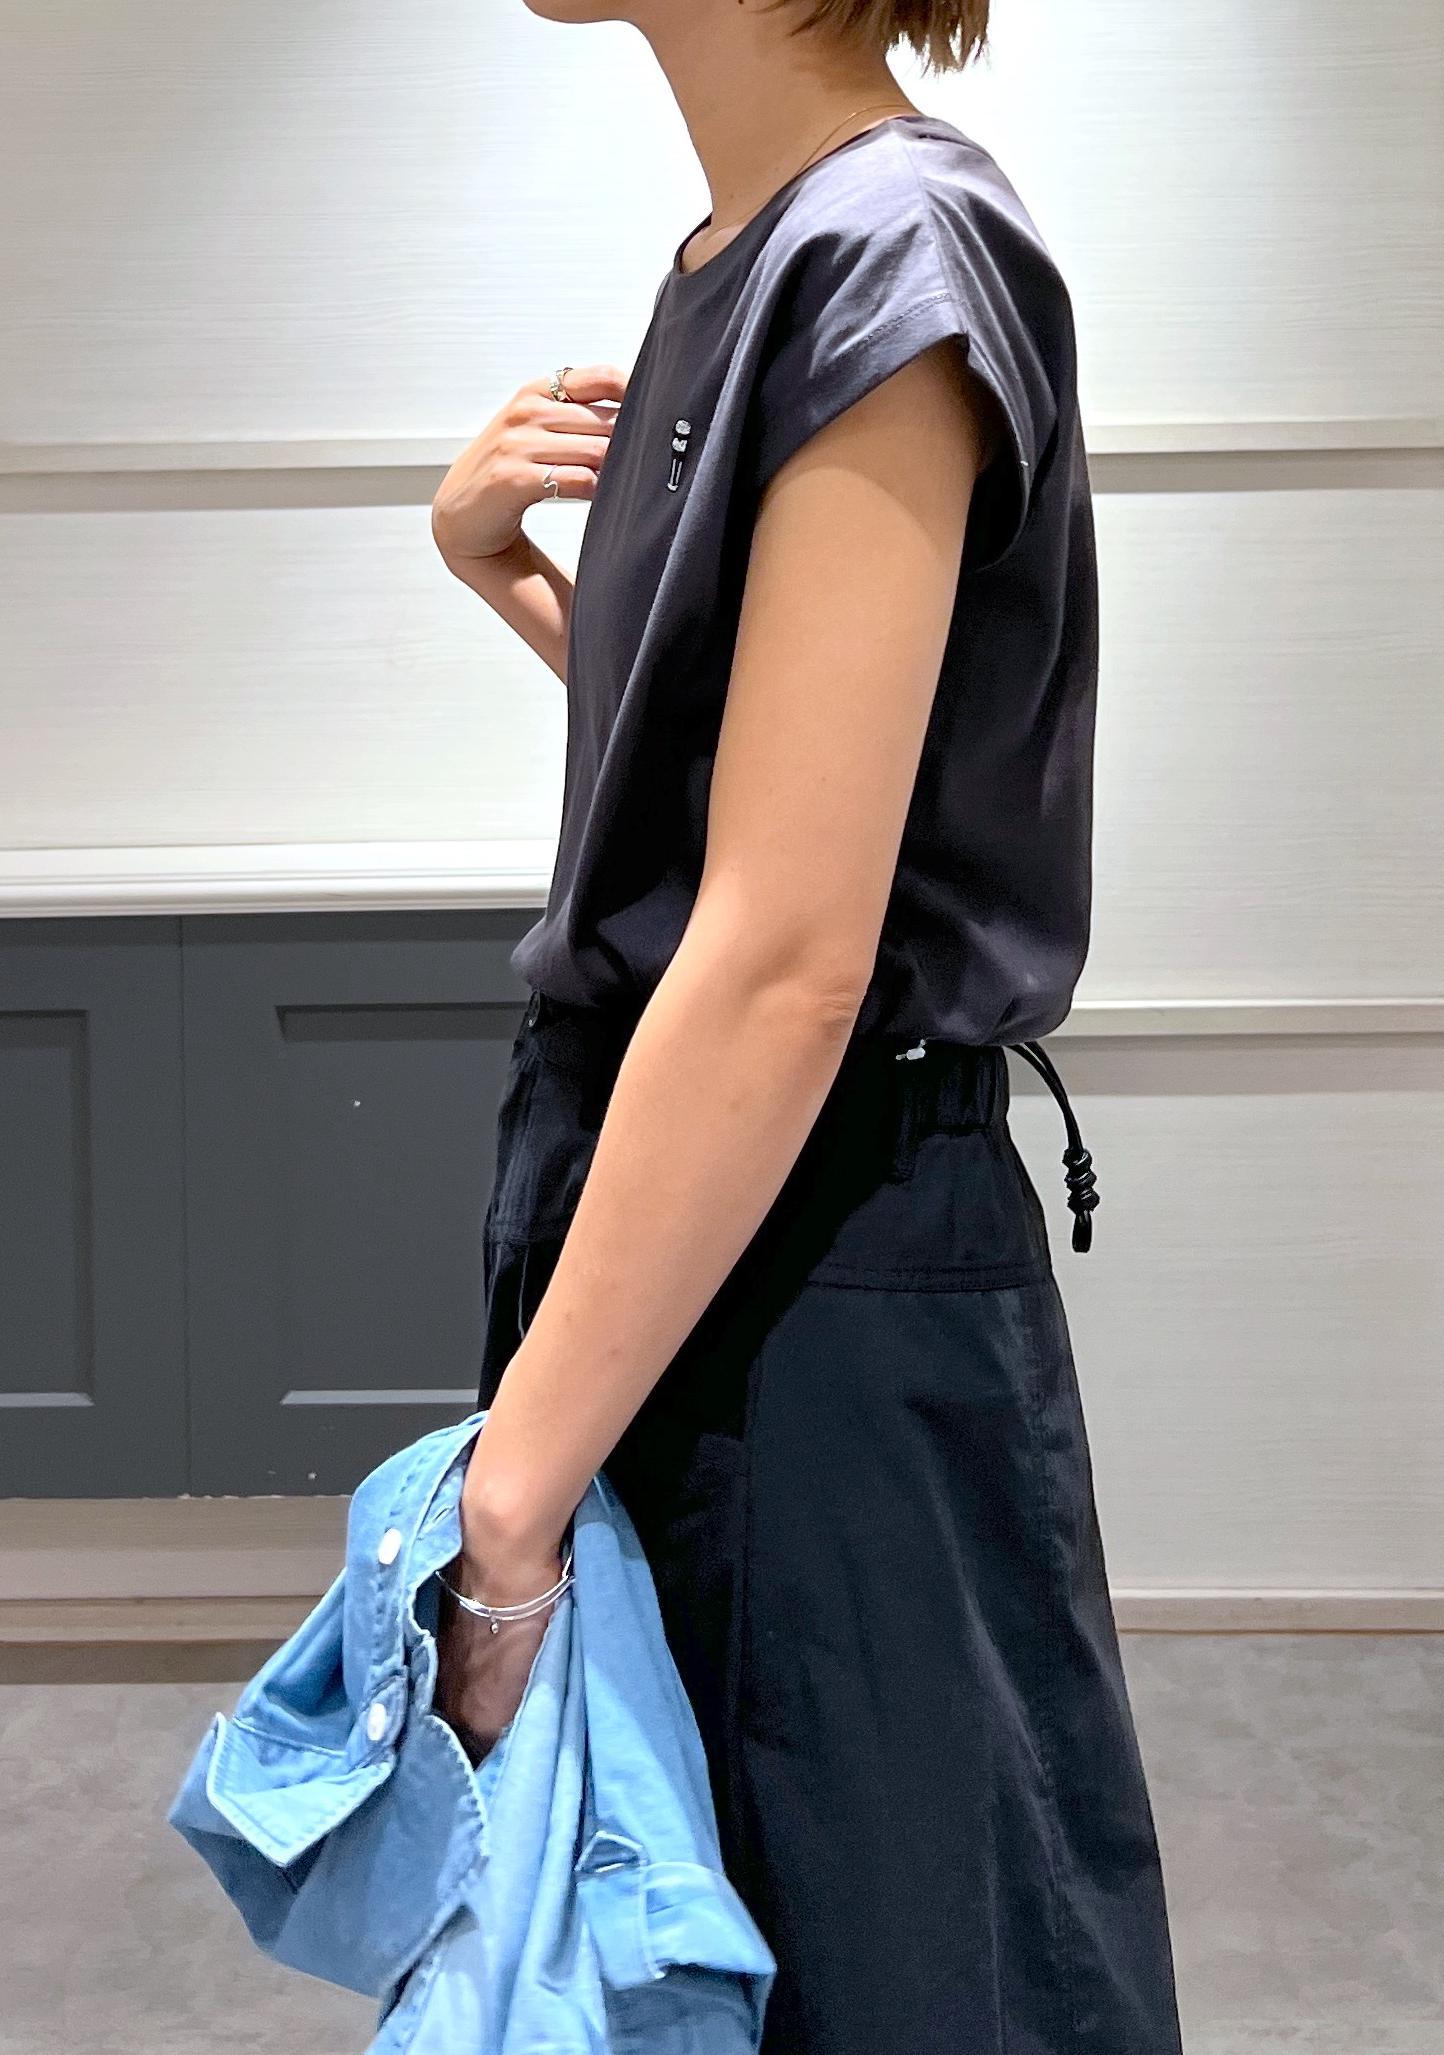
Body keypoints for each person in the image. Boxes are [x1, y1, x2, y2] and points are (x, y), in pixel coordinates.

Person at [428, 1, 1185, 2049]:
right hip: (706, 1202)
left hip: (809, 1246)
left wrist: (505, 1514)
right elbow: (753, 792)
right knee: (686, 1935)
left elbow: (786, 953)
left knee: (872, 1952)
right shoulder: (749, 251)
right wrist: (505, 572)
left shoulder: (887, 252)